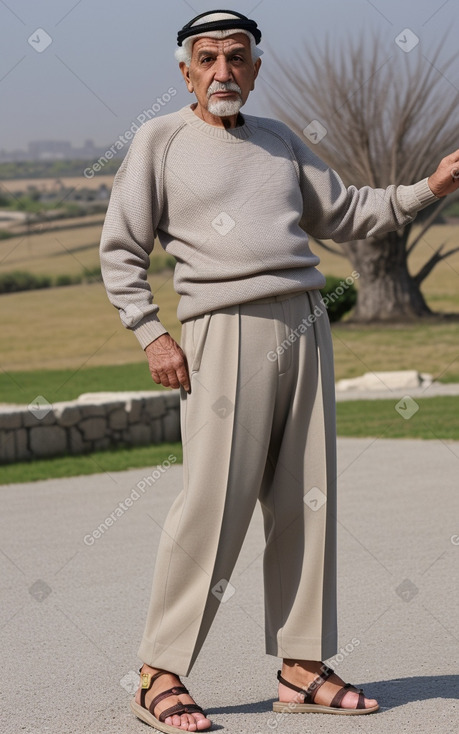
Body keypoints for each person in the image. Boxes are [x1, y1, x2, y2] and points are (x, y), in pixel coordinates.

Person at [99, 10, 459, 732]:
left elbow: (349, 212)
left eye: (237, 58)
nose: (222, 72)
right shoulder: (159, 141)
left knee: (307, 499)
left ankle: (300, 666)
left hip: (303, 320)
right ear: (185, 71)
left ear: (255, 68)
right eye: (207, 59)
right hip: (220, 331)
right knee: (212, 504)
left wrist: (430, 187)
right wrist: (150, 334)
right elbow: (121, 250)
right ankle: (157, 674)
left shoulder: (279, 141)